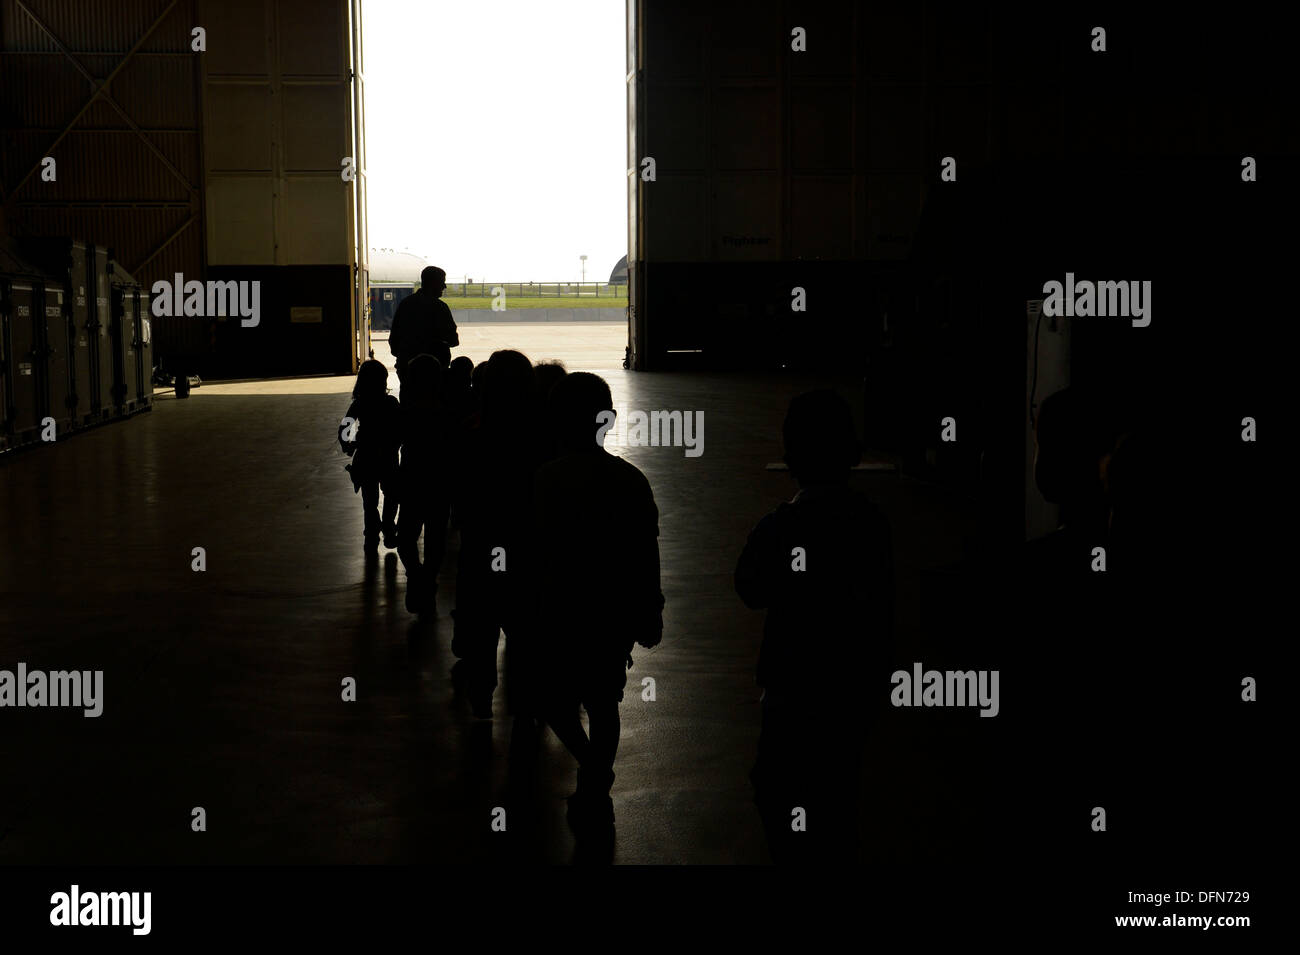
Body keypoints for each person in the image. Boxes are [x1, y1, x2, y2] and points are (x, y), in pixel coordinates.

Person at [735, 389, 893, 864]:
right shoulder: (870, 523)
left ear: (789, 458)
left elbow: (748, 589)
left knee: (777, 788)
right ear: (854, 456)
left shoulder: (779, 527)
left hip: (791, 687)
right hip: (851, 688)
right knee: (839, 794)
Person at [532, 373, 664, 834]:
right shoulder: (631, 481)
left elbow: (534, 556)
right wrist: (652, 609)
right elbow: (646, 554)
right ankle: (596, 785)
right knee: (605, 704)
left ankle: (594, 771)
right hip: (612, 615)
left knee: (552, 701)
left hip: (561, 613)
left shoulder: (546, 480)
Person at [395, 354, 452, 615]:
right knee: (436, 535)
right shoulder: (447, 411)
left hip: (411, 477)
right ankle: (427, 576)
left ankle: (415, 575)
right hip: (439, 479)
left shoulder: (405, 411)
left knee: (406, 533)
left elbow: (393, 442)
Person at [338, 359, 401, 553]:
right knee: (391, 495)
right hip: (388, 458)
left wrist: (347, 445)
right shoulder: (391, 402)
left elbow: (345, 427)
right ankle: (389, 528)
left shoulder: (360, 404)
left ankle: (371, 535)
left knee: (370, 500)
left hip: (365, 457)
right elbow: (400, 429)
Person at [389, 266, 459, 379]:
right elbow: (453, 340)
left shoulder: (405, 304)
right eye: (442, 282)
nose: (444, 286)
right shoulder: (440, 307)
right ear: (433, 283)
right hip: (435, 373)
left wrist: (405, 357)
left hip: (407, 371)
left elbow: (394, 340)